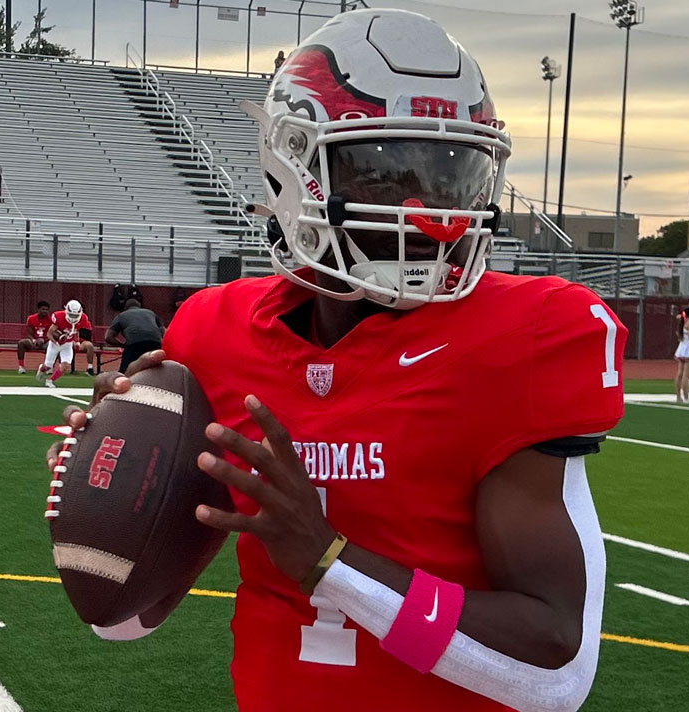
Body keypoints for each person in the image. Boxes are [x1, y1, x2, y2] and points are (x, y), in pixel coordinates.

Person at [48, 10, 627, 712]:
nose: (429, 213)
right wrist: (114, 488)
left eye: (451, 175)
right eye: (386, 172)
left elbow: (555, 673)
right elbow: (124, 622)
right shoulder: (214, 333)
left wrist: (331, 562)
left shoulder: (524, 334)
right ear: (293, 169)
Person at [38, 300, 91, 388]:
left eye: (75, 315)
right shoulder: (59, 317)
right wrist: (56, 341)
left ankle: (50, 380)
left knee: (66, 365)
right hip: (55, 345)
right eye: (72, 315)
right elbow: (49, 334)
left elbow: (76, 330)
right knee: (48, 366)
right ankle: (41, 368)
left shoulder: (83, 319)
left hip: (67, 344)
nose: (73, 317)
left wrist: (77, 342)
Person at [105, 298, 164, 373]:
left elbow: (108, 337)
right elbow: (163, 330)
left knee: (126, 370)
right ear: (140, 306)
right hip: (155, 342)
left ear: (125, 308)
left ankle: (125, 378)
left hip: (134, 343)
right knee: (155, 369)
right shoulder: (151, 313)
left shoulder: (121, 316)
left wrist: (123, 345)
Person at [17, 300, 52, 374]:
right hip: (34, 341)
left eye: (46, 310)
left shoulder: (51, 319)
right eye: (43, 309)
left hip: (46, 341)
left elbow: (51, 333)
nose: (45, 311)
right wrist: (33, 340)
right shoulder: (31, 318)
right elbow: (29, 333)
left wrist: (43, 340)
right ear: (38, 309)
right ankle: (21, 366)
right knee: (21, 343)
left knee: (53, 345)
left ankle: (49, 367)